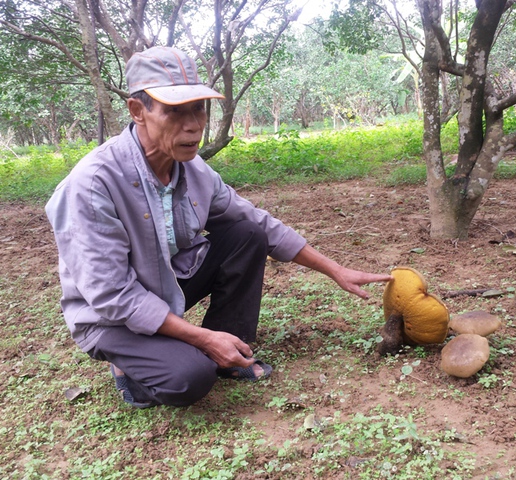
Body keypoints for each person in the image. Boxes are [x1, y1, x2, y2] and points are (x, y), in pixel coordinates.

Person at [46, 46, 391, 408]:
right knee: (188, 379)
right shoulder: (92, 184)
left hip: (164, 288)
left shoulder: (194, 170)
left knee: (247, 234)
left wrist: (335, 270)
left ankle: (231, 346)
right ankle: (129, 365)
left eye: (199, 107)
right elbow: (112, 295)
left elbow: (256, 221)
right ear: (138, 111)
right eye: (175, 111)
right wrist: (202, 339)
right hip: (109, 318)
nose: (193, 123)